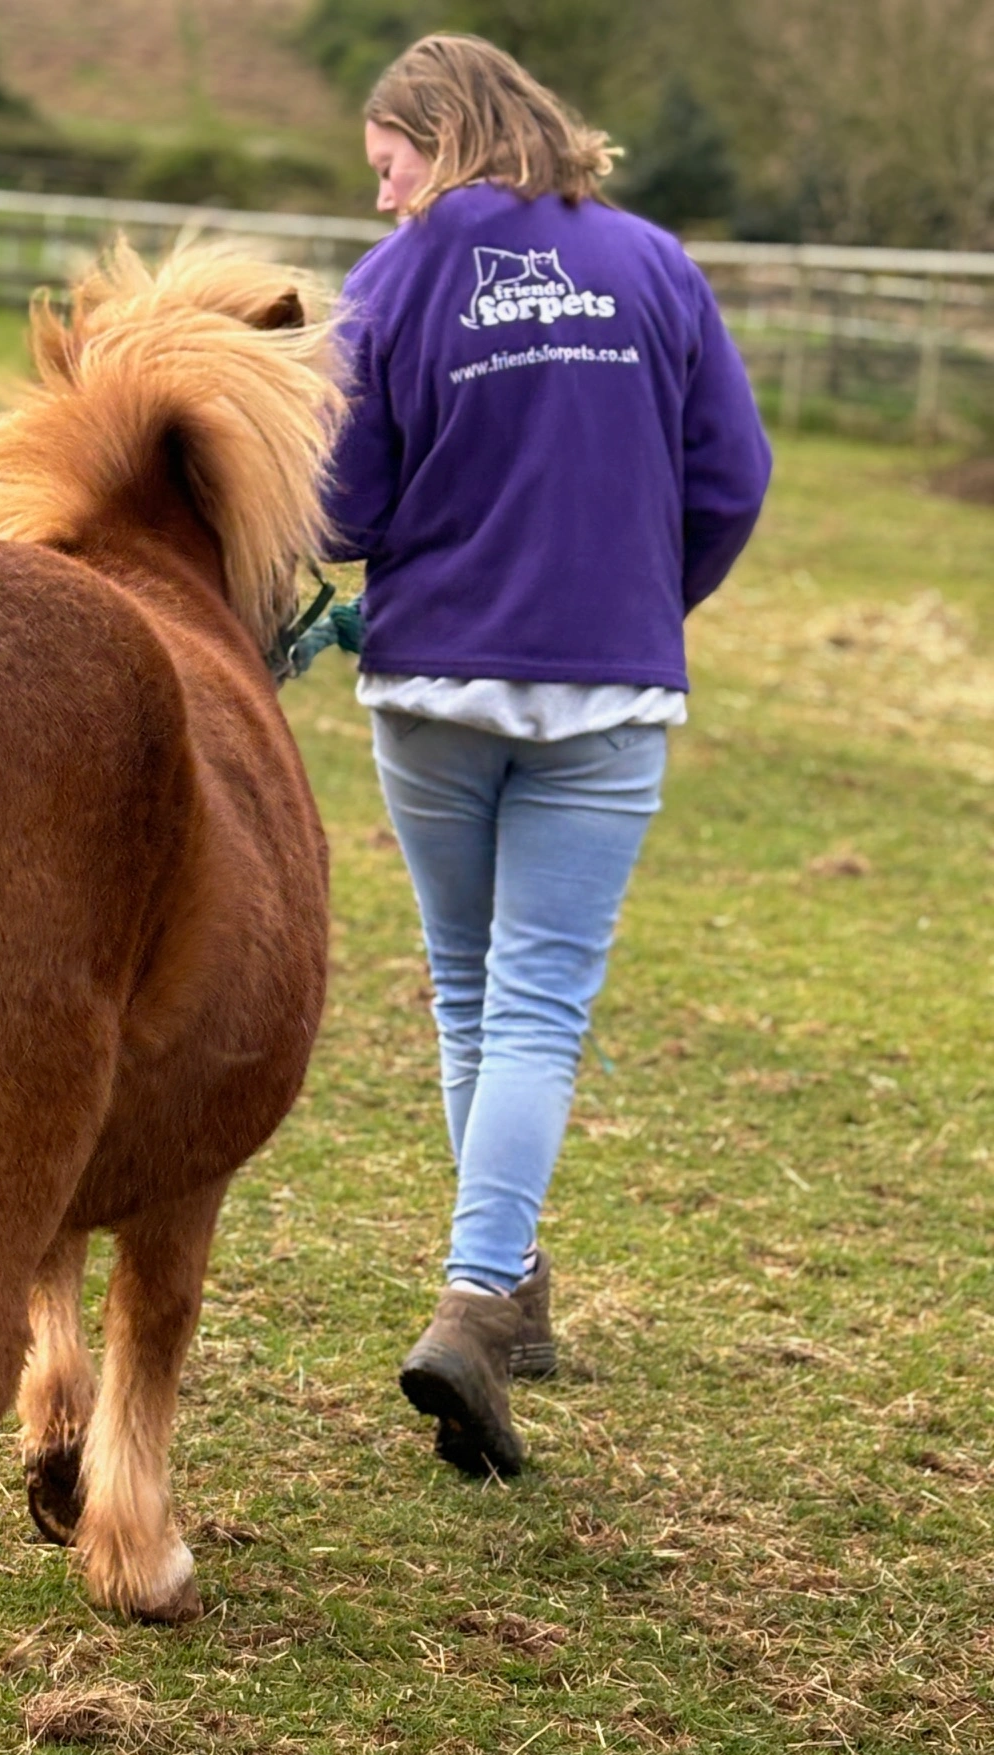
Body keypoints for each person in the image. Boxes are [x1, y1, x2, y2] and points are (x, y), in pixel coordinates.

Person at [322, 34, 772, 1479]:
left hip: (430, 683)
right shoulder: (653, 264)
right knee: (533, 1009)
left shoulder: (394, 282)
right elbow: (734, 477)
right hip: (606, 695)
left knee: (472, 994)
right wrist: (644, 596)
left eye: (389, 170)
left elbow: (340, 502)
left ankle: (496, 1288)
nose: (387, 204)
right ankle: (486, 1290)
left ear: (436, 136)